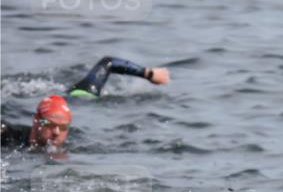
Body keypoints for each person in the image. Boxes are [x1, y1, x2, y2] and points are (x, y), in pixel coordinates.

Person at [0, 56, 169, 151]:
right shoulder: (8, 135)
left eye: (64, 127)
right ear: (36, 120)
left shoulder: (74, 148)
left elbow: (108, 63)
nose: (57, 132)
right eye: (50, 124)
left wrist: (148, 74)